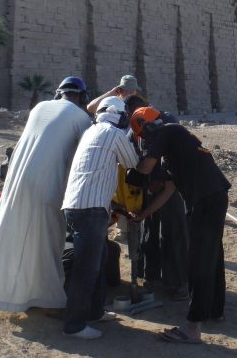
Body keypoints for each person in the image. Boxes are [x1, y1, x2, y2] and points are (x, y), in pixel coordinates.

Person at [0, 77, 92, 313]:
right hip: (48, 183)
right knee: (48, 241)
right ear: (82, 96)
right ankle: (48, 301)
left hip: (16, 181)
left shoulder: (39, 107)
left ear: (59, 93)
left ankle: (1, 294)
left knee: (13, 235)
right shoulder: (82, 118)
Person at [129, 107, 231, 344]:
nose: (147, 143)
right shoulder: (178, 147)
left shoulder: (167, 131)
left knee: (198, 262)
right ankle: (215, 310)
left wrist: (129, 160)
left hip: (206, 200)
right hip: (214, 196)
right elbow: (167, 192)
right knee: (212, 257)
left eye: (145, 138)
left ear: (149, 125)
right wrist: (143, 215)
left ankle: (192, 327)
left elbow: (144, 168)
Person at [61, 96, 140, 340]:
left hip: (75, 206)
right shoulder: (114, 134)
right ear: (121, 116)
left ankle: (95, 311)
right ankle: (74, 325)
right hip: (91, 210)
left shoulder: (90, 131)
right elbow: (132, 163)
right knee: (86, 268)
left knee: (101, 257)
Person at [124, 96, 188, 299]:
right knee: (148, 232)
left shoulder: (168, 123)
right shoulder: (133, 130)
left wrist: (161, 178)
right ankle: (150, 276)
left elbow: (172, 155)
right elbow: (133, 156)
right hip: (149, 184)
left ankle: (177, 283)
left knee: (173, 233)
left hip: (171, 184)